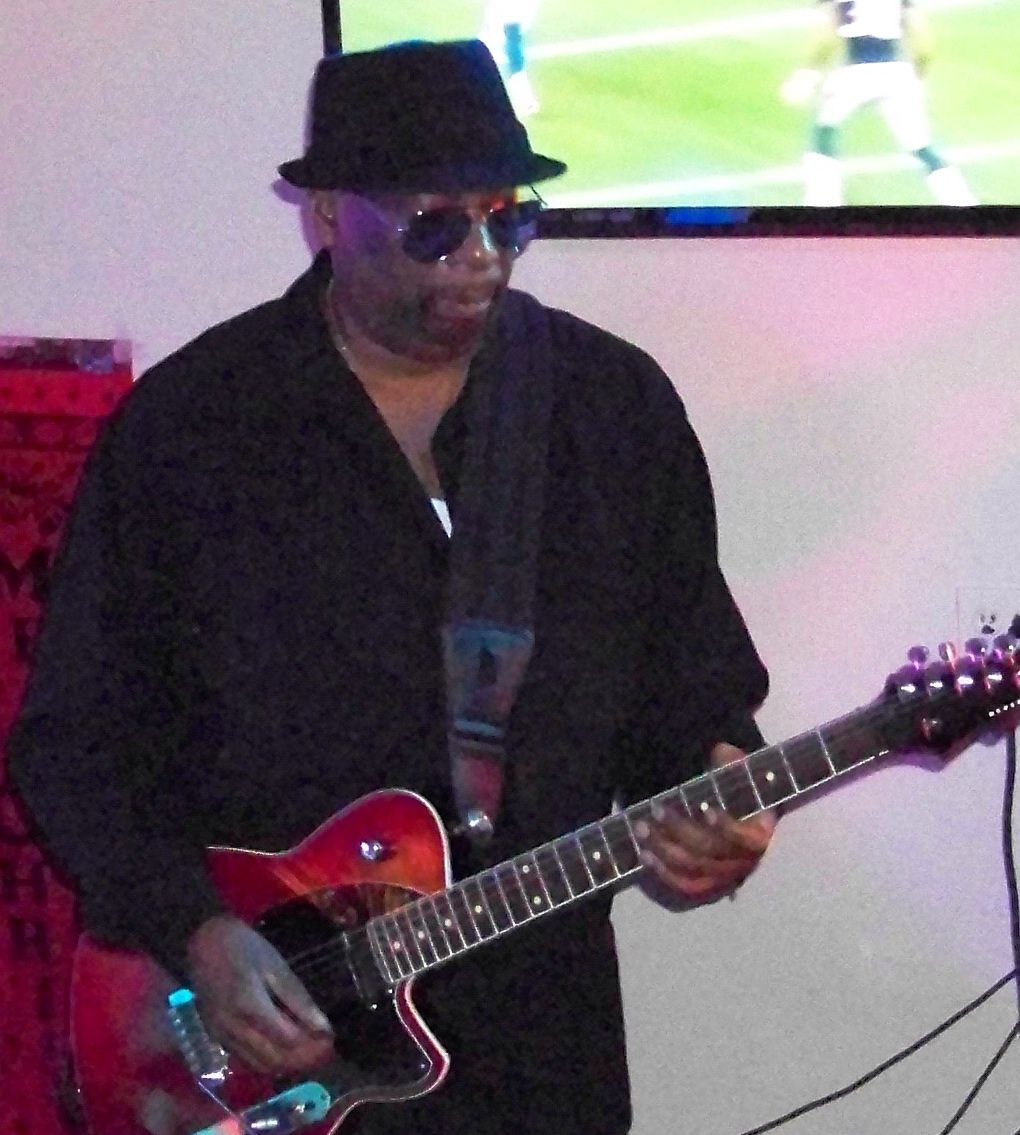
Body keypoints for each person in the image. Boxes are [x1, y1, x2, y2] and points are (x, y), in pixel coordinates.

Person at [8, 38, 775, 1135]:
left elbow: (691, 694)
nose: (481, 258)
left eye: (507, 218)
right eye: (434, 225)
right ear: (329, 212)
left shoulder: (613, 409)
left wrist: (720, 796)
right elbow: (73, 741)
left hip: (542, 1049)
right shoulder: (192, 429)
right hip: (266, 1048)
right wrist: (196, 932)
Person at [780, 0, 976, 206]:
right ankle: (961, 200)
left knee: (825, 127)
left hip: (855, 73)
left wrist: (809, 71)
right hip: (895, 74)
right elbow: (923, 39)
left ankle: (823, 200)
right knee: (921, 145)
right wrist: (918, 75)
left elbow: (825, 36)